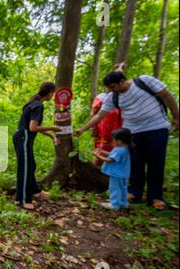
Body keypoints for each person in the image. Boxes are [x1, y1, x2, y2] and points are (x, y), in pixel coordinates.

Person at [75, 71, 179, 210]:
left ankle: (155, 197)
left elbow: (166, 96)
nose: (110, 90)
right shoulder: (114, 96)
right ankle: (134, 193)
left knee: (156, 163)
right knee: (135, 163)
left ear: (122, 81)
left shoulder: (144, 81)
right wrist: (83, 129)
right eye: (108, 88)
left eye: (112, 86)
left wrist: (176, 116)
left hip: (156, 128)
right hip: (132, 132)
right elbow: (100, 114)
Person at [13, 82, 61, 211]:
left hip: (23, 137)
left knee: (31, 165)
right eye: (53, 93)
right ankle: (23, 199)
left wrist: (51, 135)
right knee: (25, 168)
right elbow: (33, 127)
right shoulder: (38, 105)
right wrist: (53, 127)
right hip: (23, 137)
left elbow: (34, 127)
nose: (53, 96)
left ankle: (35, 191)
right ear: (50, 93)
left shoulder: (33, 102)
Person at [94, 128, 131, 210]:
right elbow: (112, 155)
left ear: (120, 141)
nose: (112, 141)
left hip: (116, 173)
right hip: (123, 173)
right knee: (123, 188)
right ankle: (123, 203)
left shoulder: (119, 150)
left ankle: (114, 204)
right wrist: (103, 151)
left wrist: (98, 155)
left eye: (114, 140)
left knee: (114, 188)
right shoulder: (124, 148)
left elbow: (109, 160)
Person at [90, 92, 123, 168]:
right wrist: (93, 128)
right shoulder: (101, 97)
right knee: (100, 154)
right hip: (104, 131)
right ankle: (95, 174)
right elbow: (93, 114)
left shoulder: (122, 95)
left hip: (119, 129)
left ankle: (112, 175)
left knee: (117, 153)